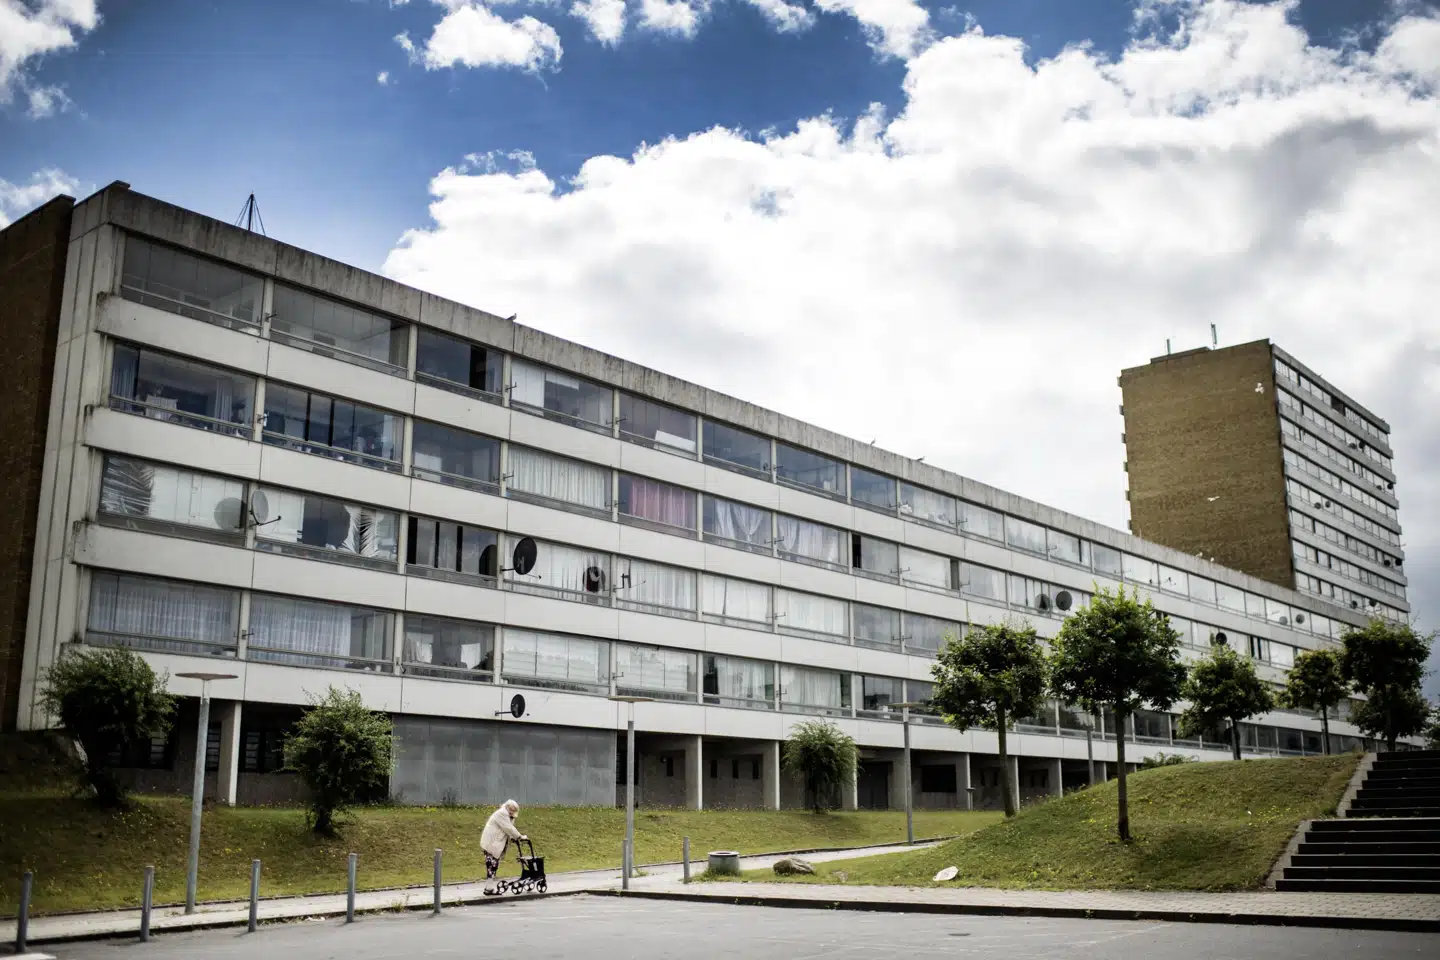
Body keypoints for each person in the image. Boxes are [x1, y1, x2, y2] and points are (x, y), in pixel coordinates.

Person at [481, 799, 526, 893]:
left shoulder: (507, 815)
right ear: (508, 807)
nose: (513, 813)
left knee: (493, 865)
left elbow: (507, 828)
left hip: (493, 843)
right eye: (512, 810)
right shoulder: (502, 813)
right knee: (492, 865)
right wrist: (519, 837)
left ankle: (488, 888)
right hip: (491, 843)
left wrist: (513, 837)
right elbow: (508, 828)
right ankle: (488, 889)